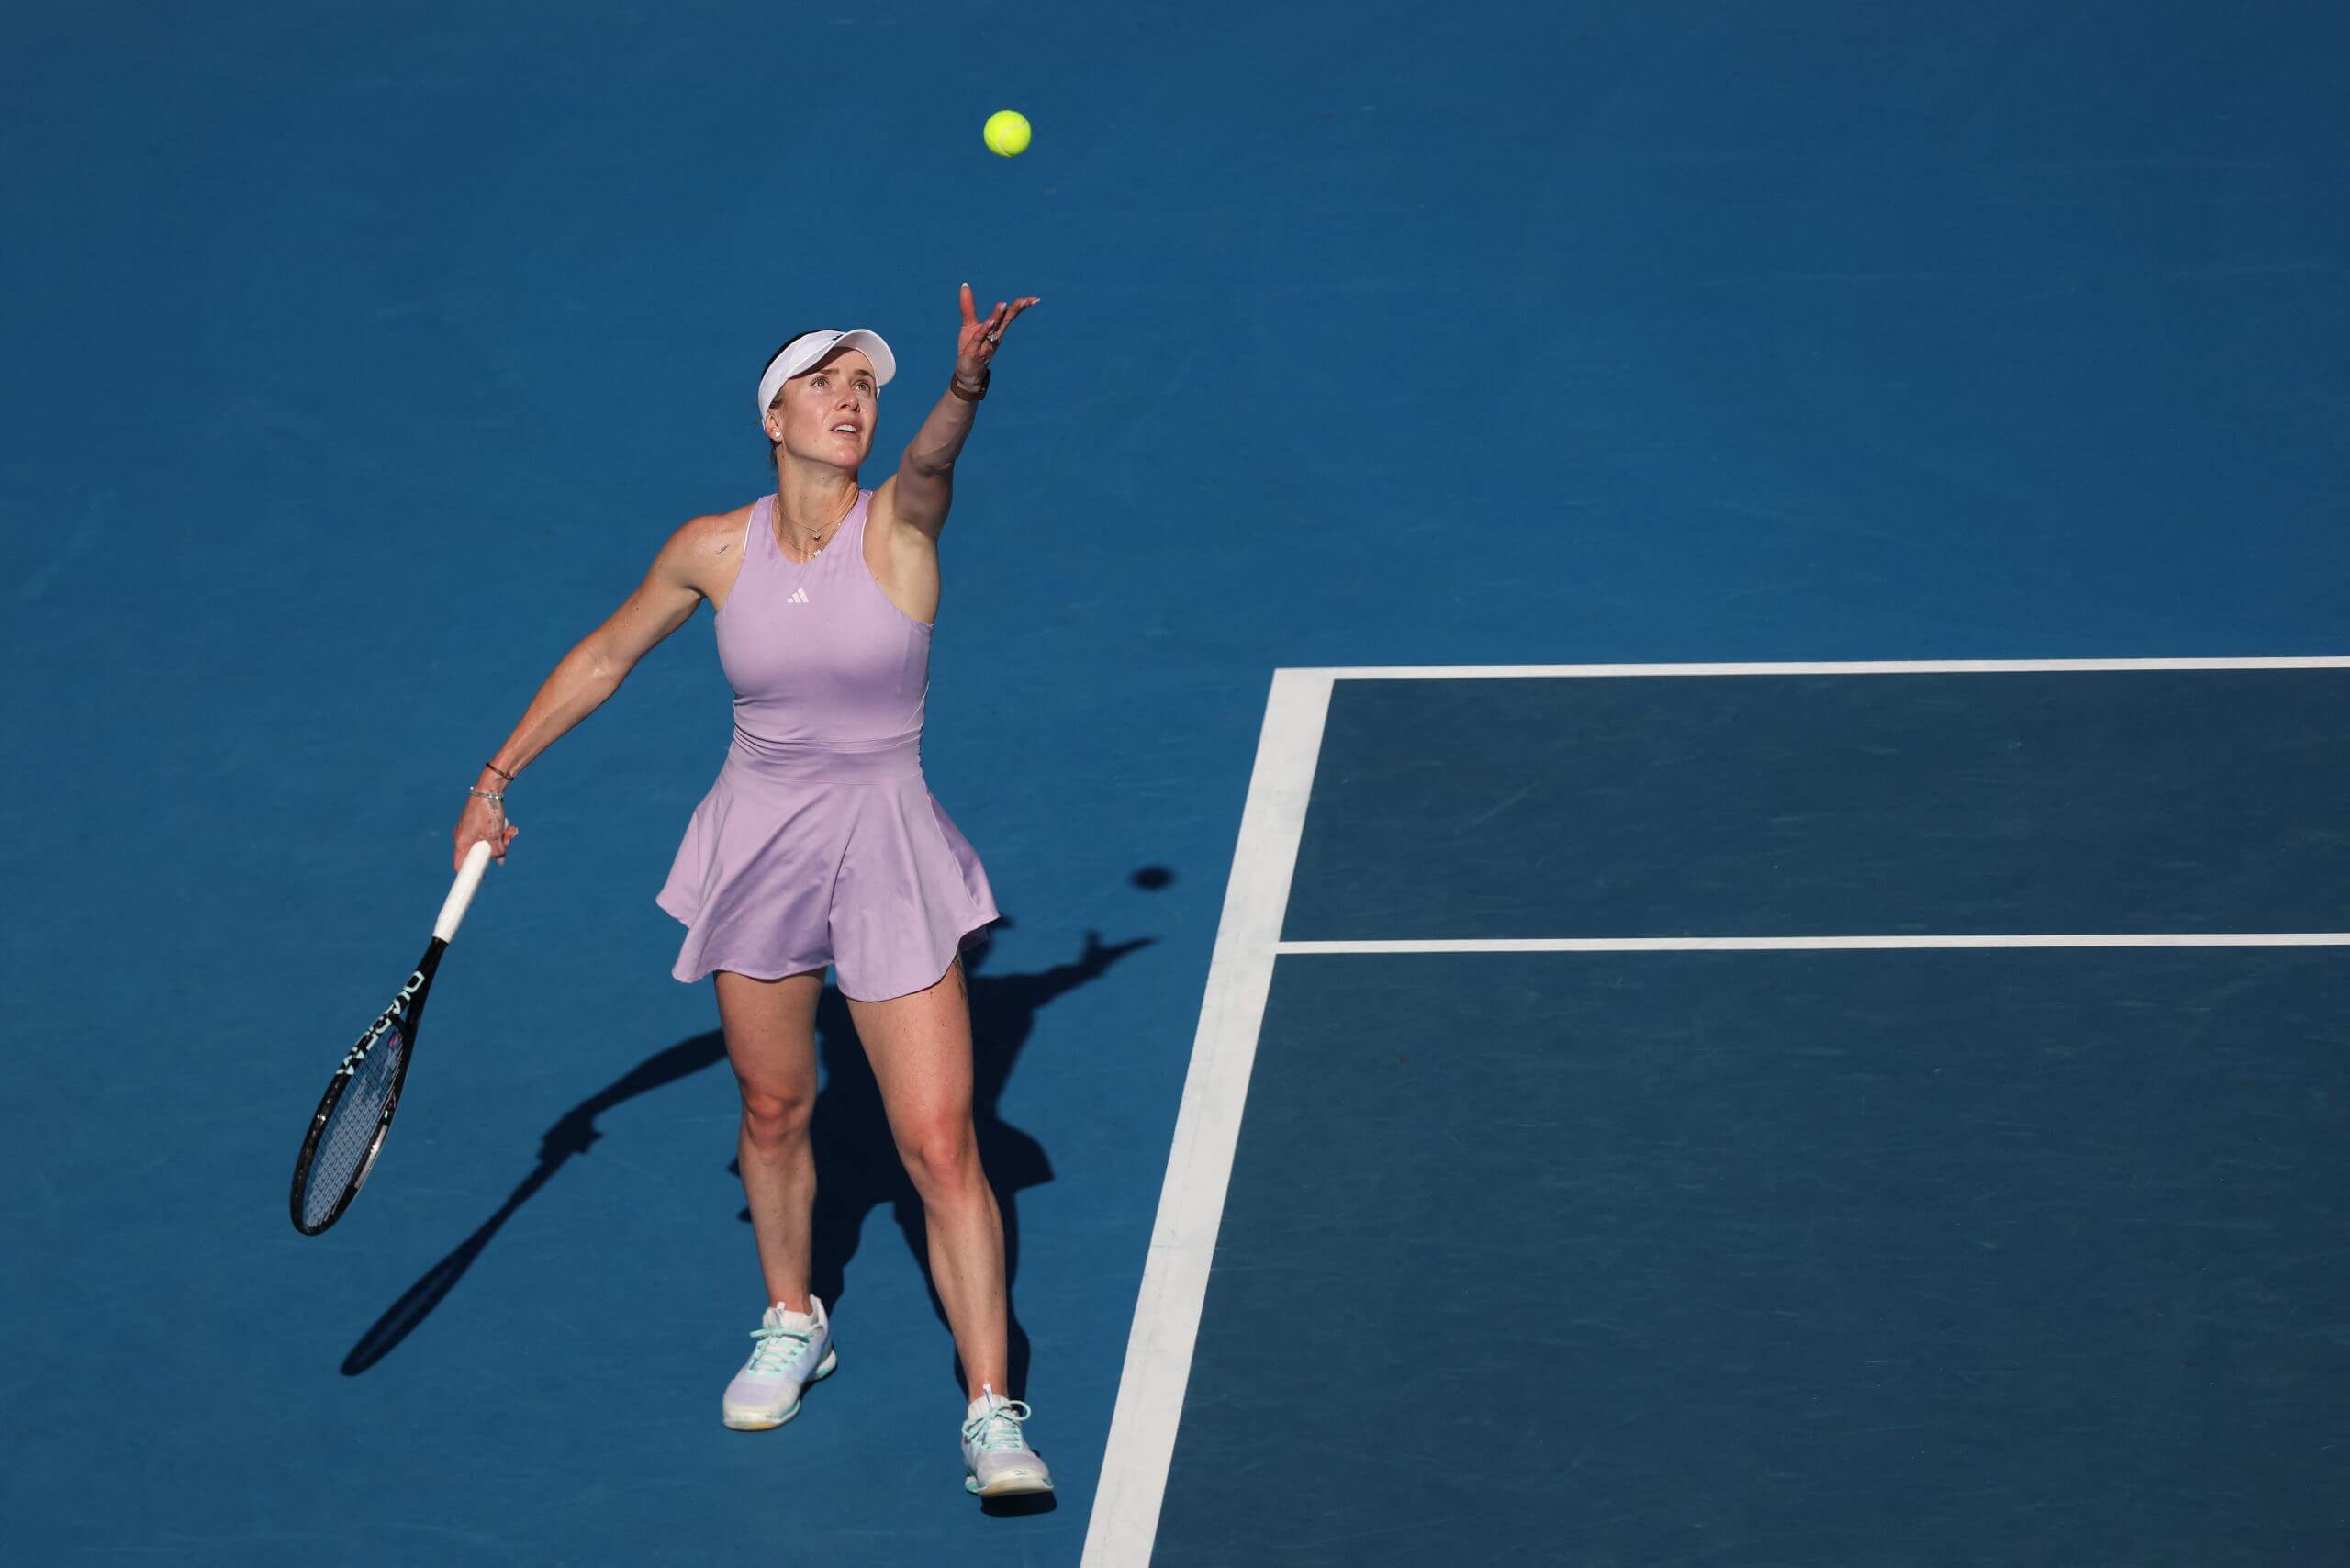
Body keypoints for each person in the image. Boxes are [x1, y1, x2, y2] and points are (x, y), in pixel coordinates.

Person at [448, 286, 1052, 1499]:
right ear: (771, 414)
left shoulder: (902, 529)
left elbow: (935, 458)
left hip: (886, 851)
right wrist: (497, 774)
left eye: (865, 386)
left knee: (938, 1144)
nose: (852, 400)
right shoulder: (711, 549)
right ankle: (794, 1316)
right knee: (775, 1113)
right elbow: (609, 655)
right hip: (759, 848)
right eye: (826, 382)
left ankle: (993, 1409)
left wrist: (966, 386)